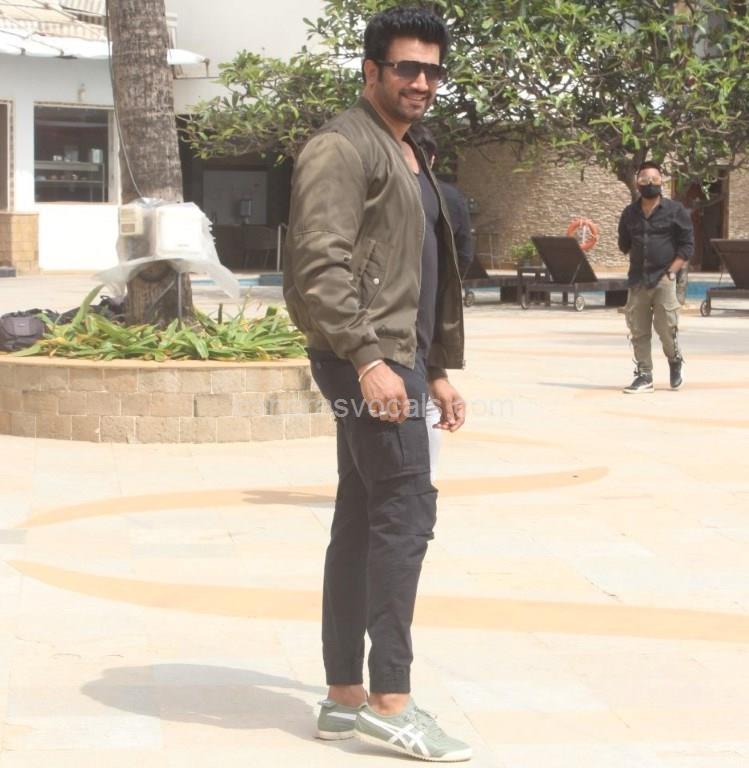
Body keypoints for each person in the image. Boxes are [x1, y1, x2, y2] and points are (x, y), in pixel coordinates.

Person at [282, 5, 470, 762]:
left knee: (362, 519)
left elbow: (416, 272)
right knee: (405, 513)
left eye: (432, 70)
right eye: (406, 68)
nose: (421, 82)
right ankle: (392, 701)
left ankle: (343, 698)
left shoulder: (408, 149)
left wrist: (436, 369)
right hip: (365, 359)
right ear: (371, 70)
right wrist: (367, 360)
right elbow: (319, 265)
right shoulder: (342, 145)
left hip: (396, 359)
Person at [618, 161, 694, 393]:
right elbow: (624, 245)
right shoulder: (629, 213)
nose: (649, 183)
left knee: (666, 328)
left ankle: (674, 360)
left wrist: (671, 272)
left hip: (664, 279)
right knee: (638, 331)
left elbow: (687, 246)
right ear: (637, 183)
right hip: (638, 280)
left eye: (654, 179)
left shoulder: (676, 211)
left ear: (662, 182)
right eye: (644, 179)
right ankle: (644, 375)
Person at [410, 122, 474, 278]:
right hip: (436, 284)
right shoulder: (452, 197)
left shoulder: (381, 189)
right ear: (432, 159)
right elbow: (465, 254)